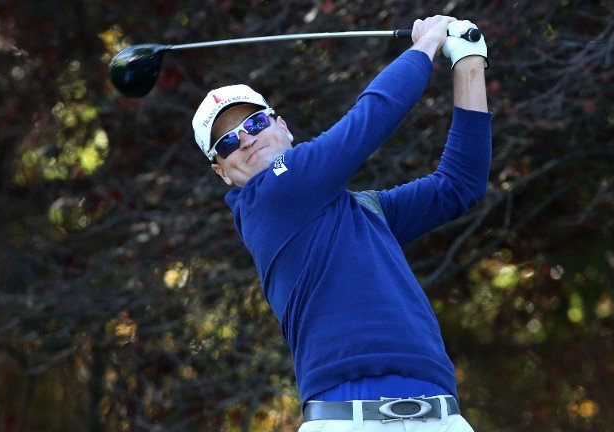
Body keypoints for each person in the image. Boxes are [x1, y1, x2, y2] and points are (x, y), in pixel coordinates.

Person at [191, 14, 491, 431]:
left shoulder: (365, 210)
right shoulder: (267, 199)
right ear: (222, 172)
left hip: (440, 415)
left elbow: (461, 184)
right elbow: (371, 118)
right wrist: (426, 46)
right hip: (344, 419)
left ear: (282, 126)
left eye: (254, 122)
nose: (245, 139)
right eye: (226, 142)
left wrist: (469, 62)